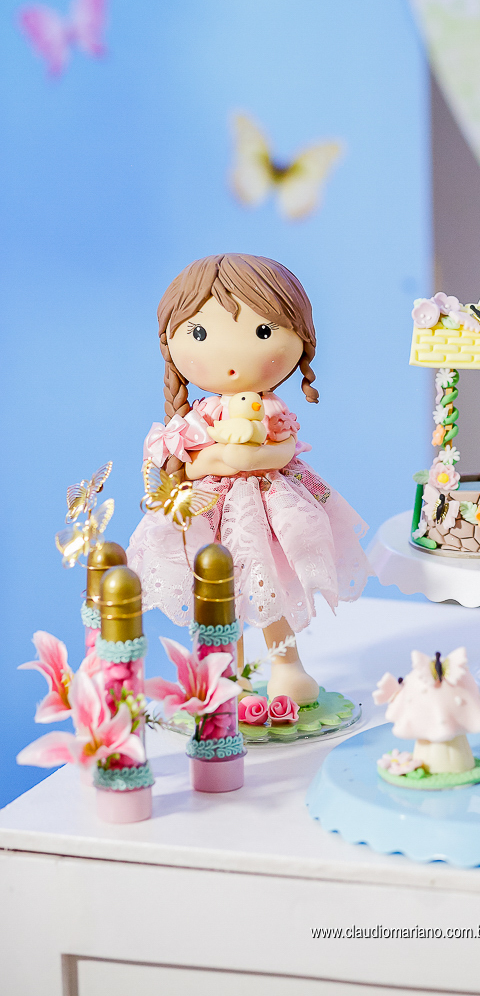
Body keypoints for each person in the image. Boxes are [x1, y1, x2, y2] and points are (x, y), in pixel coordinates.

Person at [128, 253, 370, 704]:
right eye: (199, 334)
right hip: (212, 512)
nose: (232, 360)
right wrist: (217, 458)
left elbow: (284, 449)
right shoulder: (198, 417)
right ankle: (230, 674)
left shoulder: (271, 409)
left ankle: (287, 666)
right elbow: (188, 465)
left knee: (271, 583)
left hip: (271, 509)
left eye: (263, 332)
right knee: (225, 597)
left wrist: (251, 454)